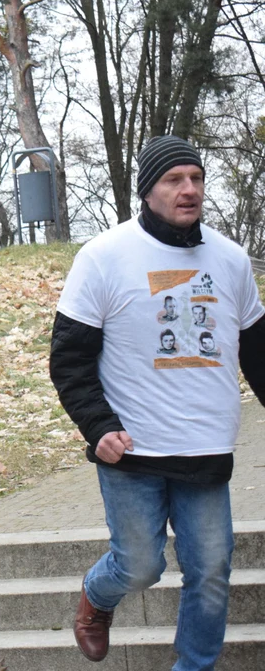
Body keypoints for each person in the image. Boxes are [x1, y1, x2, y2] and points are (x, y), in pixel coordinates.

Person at [49, 135, 265, 668]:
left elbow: (259, 351)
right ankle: (97, 598)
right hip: (132, 448)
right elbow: (69, 358)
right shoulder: (103, 257)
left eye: (195, 178)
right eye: (174, 179)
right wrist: (98, 426)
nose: (188, 189)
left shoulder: (231, 259)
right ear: (148, 190)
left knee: (211, 569)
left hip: (206, 445)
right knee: (141, 565)